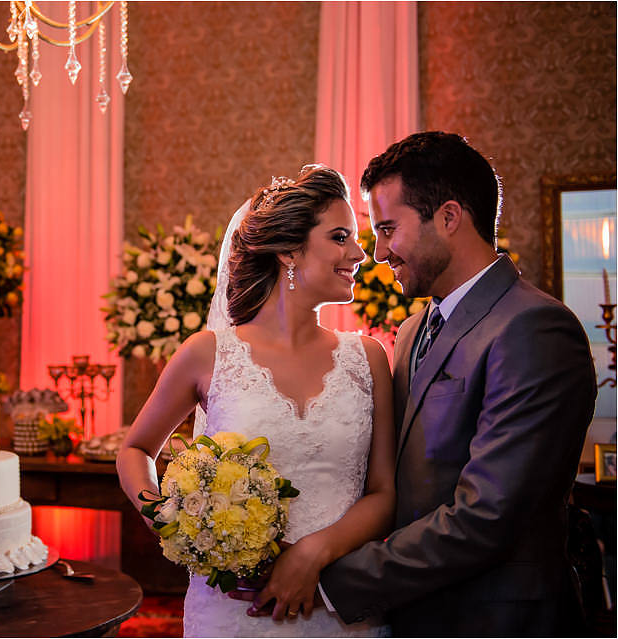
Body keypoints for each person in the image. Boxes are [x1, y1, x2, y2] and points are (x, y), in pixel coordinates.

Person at [240, 132, 597, 636]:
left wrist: (325, 575)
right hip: (411, 615)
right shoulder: (410, 332)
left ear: (449, 218)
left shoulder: (533, 328)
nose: (378, 252)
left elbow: (487, 517)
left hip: (495, 618)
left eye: (388, 229)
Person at [117, 166, 397, 637]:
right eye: (340, 237)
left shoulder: (367, 358)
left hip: (338, 606)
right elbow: (135, 450)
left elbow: (384, 493)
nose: (359, 254)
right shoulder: (208, 353)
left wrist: (312, 553)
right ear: (289, 250)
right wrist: (176, 525)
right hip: (235, 612)